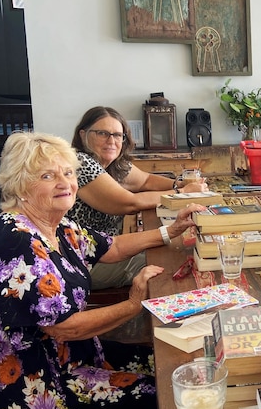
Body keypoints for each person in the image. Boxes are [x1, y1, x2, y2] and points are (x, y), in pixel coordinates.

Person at [0, 132, 204, 409]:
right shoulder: (15, 242)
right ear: (20, 186)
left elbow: (109, 247)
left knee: (157, 362)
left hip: (63, 355)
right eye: (47, 176)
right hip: (23, 380)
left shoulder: (53, 225)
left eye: (67, 173)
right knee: (148, 396)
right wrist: (132, 305)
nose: (65, 183)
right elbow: (66, 327)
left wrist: (168, 232)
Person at [68, 106, 207, 289]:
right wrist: (182, 193)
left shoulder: (112, 164)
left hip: (107, 250)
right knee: (171, 264)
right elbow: (129, 203)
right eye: (102, 133)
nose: (111, 140)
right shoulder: (80, 163)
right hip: (81, 262)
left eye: (118, 135)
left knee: (173, 253)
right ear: (83, 134)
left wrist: (178, 183)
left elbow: (146, 181)